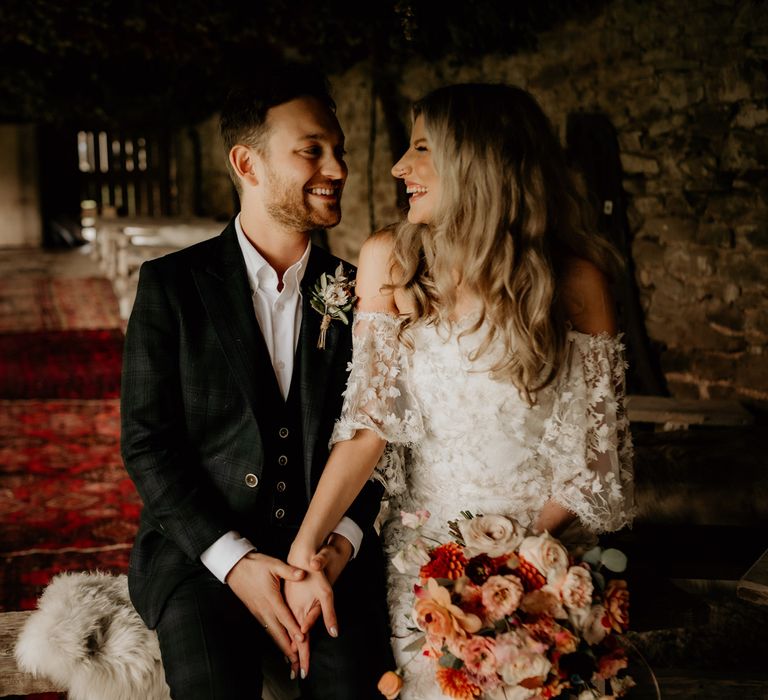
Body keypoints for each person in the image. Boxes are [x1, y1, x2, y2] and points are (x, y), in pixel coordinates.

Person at [286, 83, 636, 698]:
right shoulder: (389, 262)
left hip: (546, 562)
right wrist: (305, 547)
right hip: (424, 570)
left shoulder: (577, 283)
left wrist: (513, 568)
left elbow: (593, 460)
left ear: (479, 162)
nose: (401, 167)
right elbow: (368, 428)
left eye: (422, 148)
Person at [120, 64, 393, 699]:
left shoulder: (361, 292)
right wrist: (235, 563)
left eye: (340, 151)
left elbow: (382, 441)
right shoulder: (171, 286)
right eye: (312, 151)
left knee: (353, 685)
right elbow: (147, 445)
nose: (339, 168)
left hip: (329, 552)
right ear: (247, 164)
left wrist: (336, 549)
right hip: (201, 556)